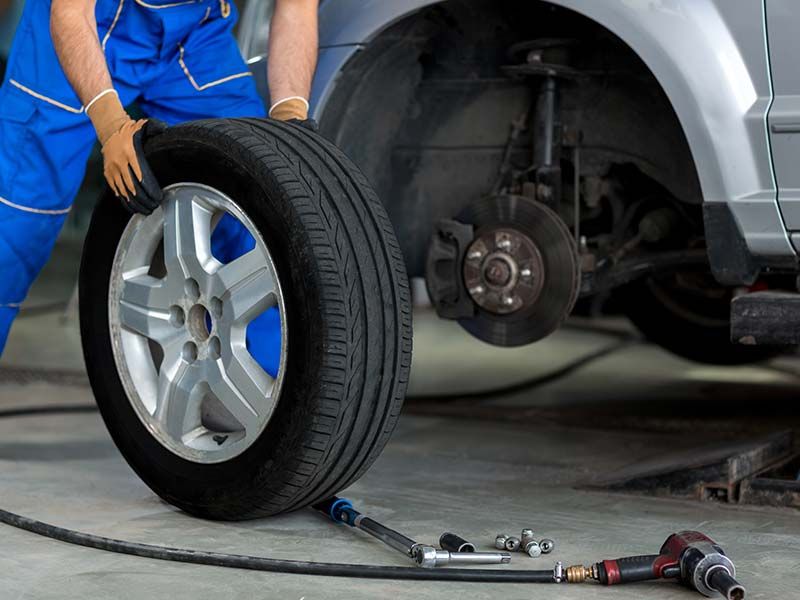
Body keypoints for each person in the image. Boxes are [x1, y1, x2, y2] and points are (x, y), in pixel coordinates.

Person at [0, 0, 319, 375]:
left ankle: (276, 383)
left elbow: (297, 7)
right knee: (17, 225)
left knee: (260, 195)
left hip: (192, 35)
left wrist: (289, 117)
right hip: (88, 22)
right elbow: (71, 14)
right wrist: (111, 126)